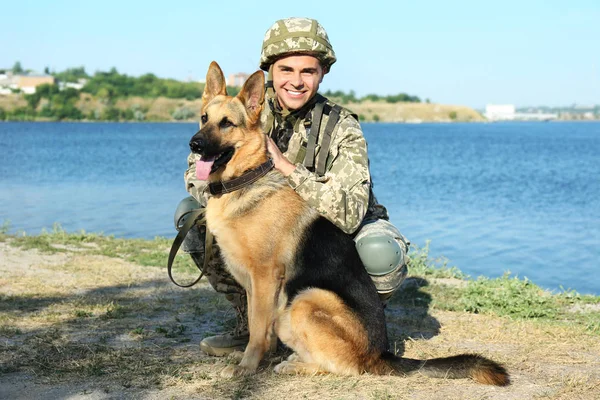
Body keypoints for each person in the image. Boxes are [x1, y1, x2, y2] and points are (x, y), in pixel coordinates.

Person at [174, 17, 410, 357]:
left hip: (336, 232)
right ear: (270, 70)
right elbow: (195, 173)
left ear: (323, 72)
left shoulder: (340, 125)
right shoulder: (242, 108)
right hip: (270, 229)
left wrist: (286, 168)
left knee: (380, 253)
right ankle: (255, 326)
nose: (296, 81)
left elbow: (349, 212)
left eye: (308, 71)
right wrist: (236, 199)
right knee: (195, 221)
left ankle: (347, 332)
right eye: (286, 70)